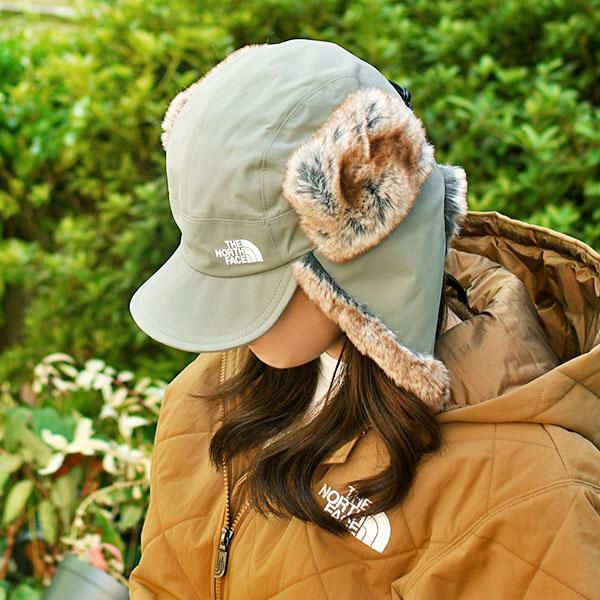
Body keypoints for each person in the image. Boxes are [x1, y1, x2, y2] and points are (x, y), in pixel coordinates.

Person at [127, 39, 600, 599]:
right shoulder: (212, 389)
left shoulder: (531, 500)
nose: (232, 321)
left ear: (366, 226)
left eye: (256, 280)